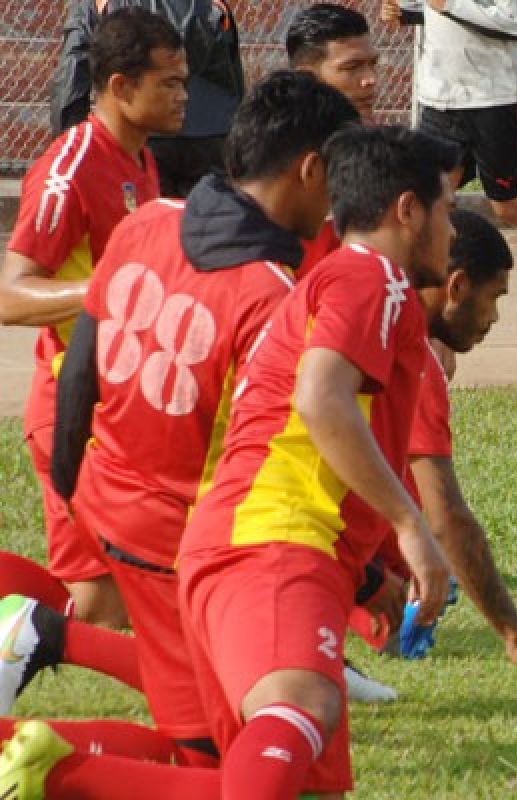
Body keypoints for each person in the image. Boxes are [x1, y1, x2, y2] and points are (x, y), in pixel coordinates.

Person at [0, 125, 458, 800]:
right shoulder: (371, 278)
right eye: (449, 207)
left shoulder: (317, 281)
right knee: (296, 707)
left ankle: (55, 766)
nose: (454, 228)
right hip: (262, 540)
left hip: (220, 537)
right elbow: (318, 398)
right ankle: (55, 753)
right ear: (408, 210)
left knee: (260, 771)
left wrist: (369, 570)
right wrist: (412, 530)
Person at [0, 8, 187, 628]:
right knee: (108, 610)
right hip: (70, 411)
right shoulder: (69, 167)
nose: (184, 95)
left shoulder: (139, 158)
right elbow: (10, 295)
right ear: (121, 87)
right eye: (170, 82)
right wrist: (110, 289)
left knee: (108, 603)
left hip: (119, 408)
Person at [400, 208, 517, 708]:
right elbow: (449, 520)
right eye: (494, 297)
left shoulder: (366, 299)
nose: (496, 317)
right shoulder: (412, 362)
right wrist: (516, 635)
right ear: (456, 286)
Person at [383, 0, 517, 329]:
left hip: (498, 102)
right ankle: (415, 302)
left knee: (507, 205)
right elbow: (435, 10)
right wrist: (406, 13)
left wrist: (448, 4)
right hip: (440, 100)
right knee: (427, 199)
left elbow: (514, 24)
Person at [49, 0, 245, 198]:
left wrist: (69, 145)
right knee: (208, 222)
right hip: (213, 134)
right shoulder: (211, 4)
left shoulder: (102, 4)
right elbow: (231, 76)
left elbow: (73, 72)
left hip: (142, 134)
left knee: (145, 222)